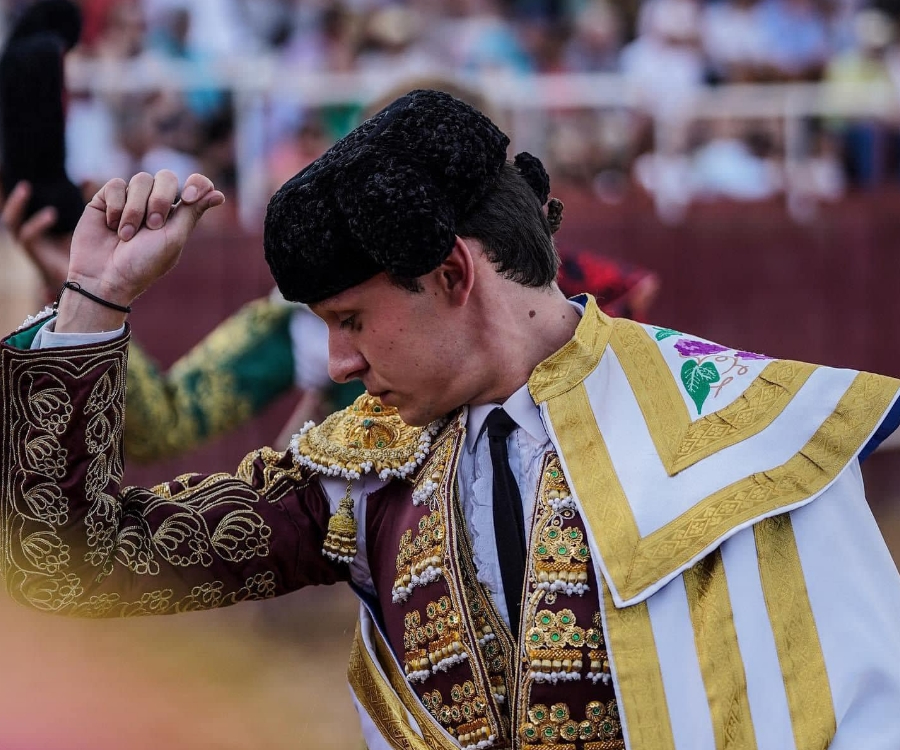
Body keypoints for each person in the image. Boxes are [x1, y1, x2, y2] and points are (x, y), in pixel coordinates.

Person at [2, 89, 900, 750]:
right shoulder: (362, 469)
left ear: (454, 274)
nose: (338, 365)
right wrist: (93, 301)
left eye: (352, 321)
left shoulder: (746, 438)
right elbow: (72, 565)